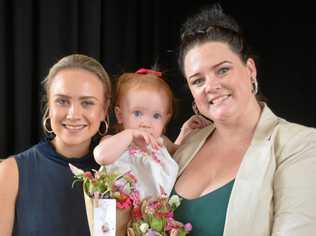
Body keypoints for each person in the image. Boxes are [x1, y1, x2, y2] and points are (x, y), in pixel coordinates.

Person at [173, 4, 316, 236]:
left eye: (222, 70)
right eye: (198, 81)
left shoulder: (300, 145)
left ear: (250, 70)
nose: (211, 86)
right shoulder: (185, 147)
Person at [0, 54, 112, 236]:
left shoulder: (121, 172)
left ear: (104, 110)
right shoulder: (11, 173)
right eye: (62, 101)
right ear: (48, 107)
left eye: (87, 103)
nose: (73, 114)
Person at [94, 68, 208, 200]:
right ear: (120, 115)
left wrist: (185, 132)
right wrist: (130, 134)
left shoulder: (160, 142)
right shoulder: (114, 141)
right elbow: (101, 156)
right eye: (137, 113)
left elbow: (181, 153)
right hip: (117, 212)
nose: (146, 123)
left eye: (156, 116)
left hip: (151, 216)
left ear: (166, 120)